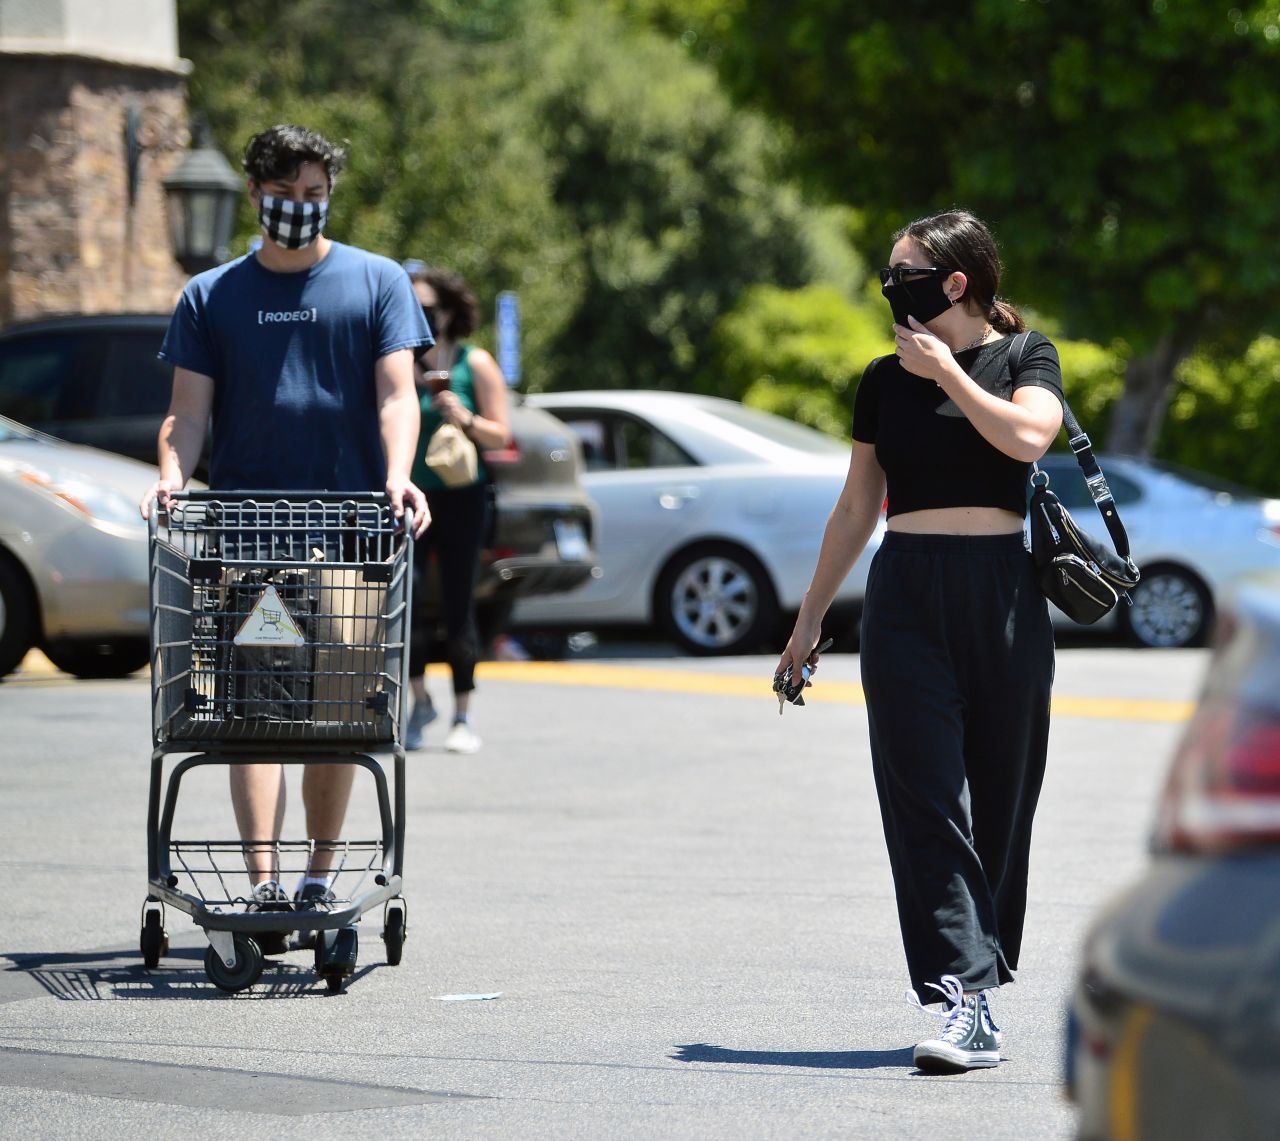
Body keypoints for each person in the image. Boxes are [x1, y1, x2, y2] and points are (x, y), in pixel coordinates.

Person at [776, 210, 1064, 1073]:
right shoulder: (879, 379)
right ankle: (963, 994)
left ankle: (982, 972)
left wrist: (949, 374)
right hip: (906, 594)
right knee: (927, 798)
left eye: (903, 270)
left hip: (1002, 595)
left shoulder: (1026, 357)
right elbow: (858, 505)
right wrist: (808, 619)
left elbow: (1028, 435)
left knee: (1002, 799)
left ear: (955, 282)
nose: (888, 284)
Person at [140, 123, 432, 948]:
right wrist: (170, 475)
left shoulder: (376, 283)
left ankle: (318, 869)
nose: (298, 210)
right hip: (244, 530)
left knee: (336, 711)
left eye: (313, 196)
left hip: (343, 530)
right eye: (283, 196)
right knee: (253, 713)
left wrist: (398, 472)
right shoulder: (211, 296)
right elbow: (186, 415)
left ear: (328, 194)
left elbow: (395, 394)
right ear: (256, 193)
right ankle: (264, 880)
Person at [402, 264, 512, 754]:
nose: (420, 316)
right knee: (407, 598)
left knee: (457, 602)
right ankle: (419, 699)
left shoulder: (474, 362)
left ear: (447, 311)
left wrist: (464, 416)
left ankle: (463, 714)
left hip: (463, 497)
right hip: (413, 498)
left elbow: (502, 432)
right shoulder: (401, 361)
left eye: (427, 307)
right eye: (411, 307)